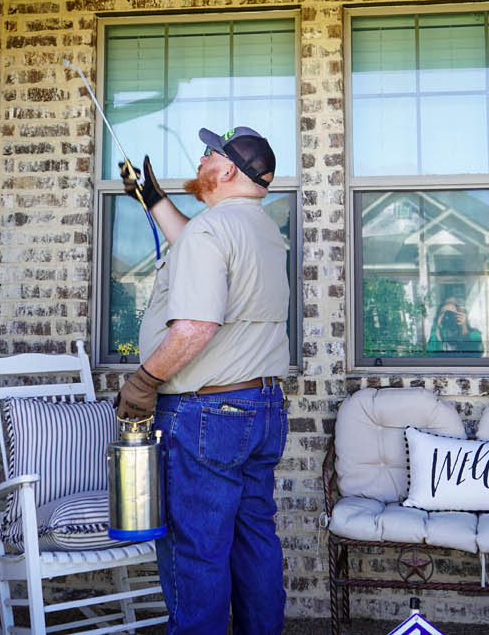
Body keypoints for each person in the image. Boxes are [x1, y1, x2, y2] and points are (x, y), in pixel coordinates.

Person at [114, 125, 290, 635]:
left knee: (197, 550)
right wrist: (152, 198)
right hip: (262, 409)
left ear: (228, 169)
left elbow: (195, 328)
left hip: (206, 417)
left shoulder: (212, 231)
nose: (201, 158)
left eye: (209, 153)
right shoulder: (261, 230)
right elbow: (193, 239)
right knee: (254, 540)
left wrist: (144, 381)